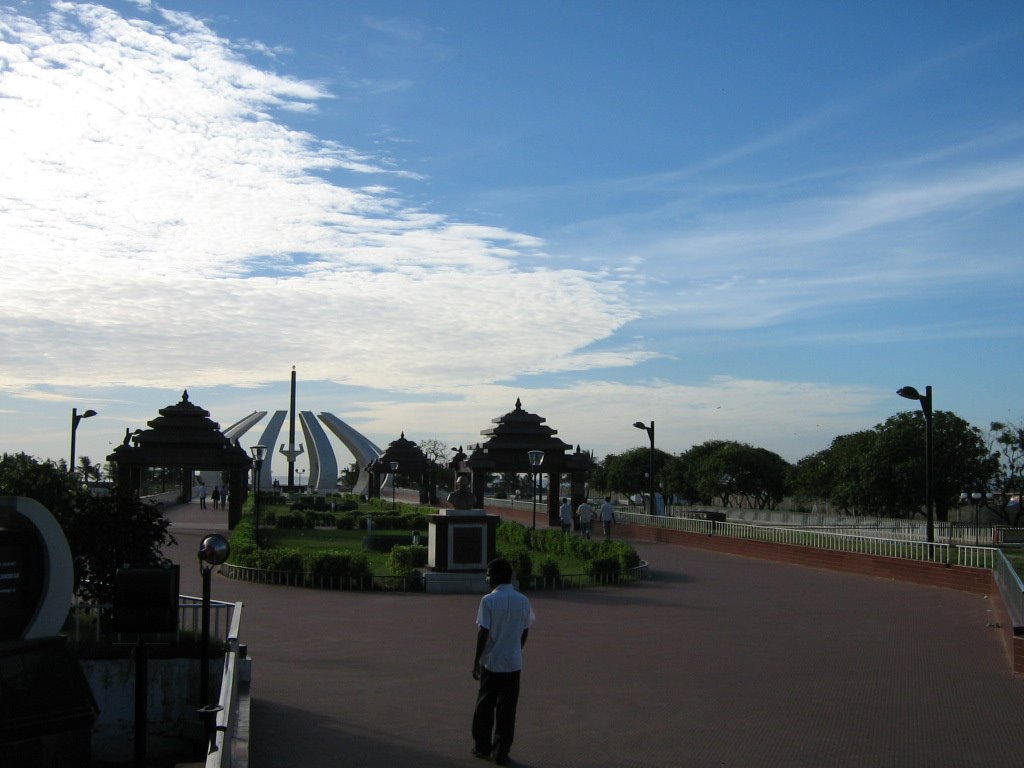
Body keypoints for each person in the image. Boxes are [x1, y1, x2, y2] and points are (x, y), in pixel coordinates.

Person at [472, 557, 535, 766]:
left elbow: (483, 632)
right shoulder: (523, 600)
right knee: (507, 710)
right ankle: (501, 751)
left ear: (498, 576)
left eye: (489, 574)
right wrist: (515, 648)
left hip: (491, 662)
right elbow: (525, 630)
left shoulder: (488, 601)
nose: (487, 578)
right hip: (513, 663)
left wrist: (476, 660)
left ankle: (482, 746)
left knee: (485, 706)